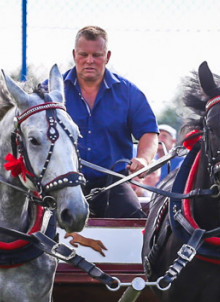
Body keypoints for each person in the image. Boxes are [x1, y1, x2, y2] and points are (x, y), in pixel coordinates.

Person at [63, 25, 158, 219]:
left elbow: (149, 132)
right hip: (62, 183)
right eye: (84, 54)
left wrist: (143, 159)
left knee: (133, 222)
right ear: (74, 54)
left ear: (107, 56)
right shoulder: (51, 91)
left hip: (113, 184)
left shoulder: (129, 93)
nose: (89, 60)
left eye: (97, 55)